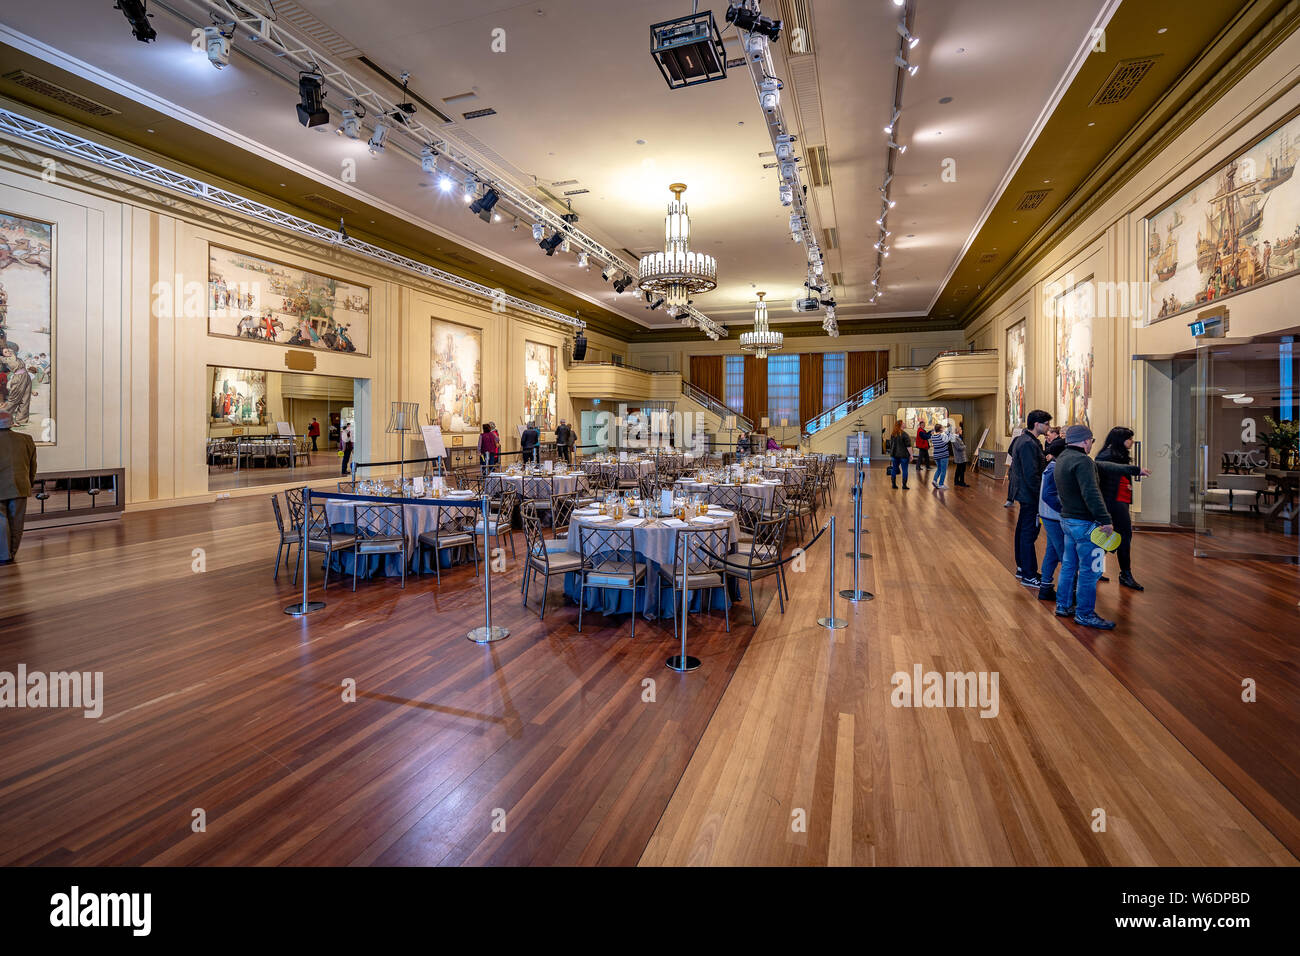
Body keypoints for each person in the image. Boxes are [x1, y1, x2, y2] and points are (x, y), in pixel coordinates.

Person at [1052, 425, 1117, 629]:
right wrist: (1105, 519)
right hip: (1085, 523)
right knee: (1091, 571)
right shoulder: (1083, 461)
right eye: (1091, 441)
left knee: (1069, 566)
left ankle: (1062, 605)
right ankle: (1085, 613)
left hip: (1067, 521)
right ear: (1086, 440)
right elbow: (1091, 493)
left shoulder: (1061, 458)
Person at [1096, 426, 1146, 591]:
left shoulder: (1113, 454)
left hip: (1118, 500)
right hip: (1113, 502)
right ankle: (1125, 574)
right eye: (1129, 438)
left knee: (1106, 538)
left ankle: (1094, 571)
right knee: (1121, 537)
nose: (1131, 442)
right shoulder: (1109, 456)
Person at [1009, 409, 1052, 588]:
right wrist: (1041, 496)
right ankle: (1028, 574)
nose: (1049, 427)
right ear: (1037, 424)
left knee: (1023, 530)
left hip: (1026, 493)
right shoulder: (1028, 443)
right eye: (1047, 424)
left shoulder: (1023, 440)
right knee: (1028, 533)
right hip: (1030, 494)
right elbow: (1031, 474)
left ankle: (1022, 567)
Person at [0, 408, 37, 564]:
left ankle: (4, 555)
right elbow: (32, 465)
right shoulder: (26, 439)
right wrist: (29, 481)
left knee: (1, 521)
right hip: (20, 486)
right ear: (11, 423)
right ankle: (12, 552)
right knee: (17, 521)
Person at [1036, 437, 1068, 604]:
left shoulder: (1052, 466)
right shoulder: (1055, 468)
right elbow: (1049, 495)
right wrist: (1065, 510)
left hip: (1049, 515)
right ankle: (1067, 594)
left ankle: (1046, 586)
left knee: (1053, 552)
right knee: (1064, 555)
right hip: (1053, 516)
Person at [886, 419, 912, 490]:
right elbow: (908, 446)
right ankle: (904, 485)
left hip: (895, 455)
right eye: (903, 423)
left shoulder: (893, 434)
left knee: (894, 469)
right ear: (901, 425)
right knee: (905, 470)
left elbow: (891, 445)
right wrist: (911, 455)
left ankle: (893, 484)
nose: (905, 423)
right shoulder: (905, 434)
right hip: (904, 455)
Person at [1005, 425, 1023, 507]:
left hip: (1020, 464)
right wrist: (1017, 458)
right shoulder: (1017, 439)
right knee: (1013, 481)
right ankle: (1010, 500)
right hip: (1016, 464)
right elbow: (1010, 450)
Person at [929, 421, 951, 489]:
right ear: (941, 429)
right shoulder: (942, 436)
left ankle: (934, 480)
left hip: (936, 455)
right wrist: (946, 431)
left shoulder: (933, 437)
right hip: (943, 455)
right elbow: (949, 438)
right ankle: (941, 484)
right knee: (943, 470)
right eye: (942, 427)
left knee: (939, 469)